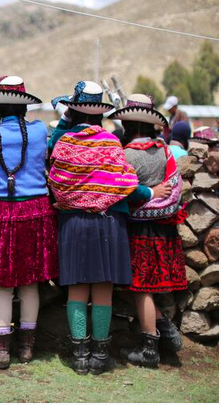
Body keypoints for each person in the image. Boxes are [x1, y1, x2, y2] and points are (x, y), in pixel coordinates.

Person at [48, 81, 170, 376]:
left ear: (74, 111)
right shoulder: (112, 143)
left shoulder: (64, 142)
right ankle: (100, 355)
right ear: (100, 114)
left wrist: (67, 117)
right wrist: (150, 193)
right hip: (108, 223)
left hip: (74, 222)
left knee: (77, 288)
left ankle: (79, 355)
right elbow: (125, 183)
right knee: (103, 289)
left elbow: (55, 176)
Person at [0, 76, 59, 369]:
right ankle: (27, 346)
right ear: (24, 106)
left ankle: (2, 348)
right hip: (35, 209)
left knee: (2, 284)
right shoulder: (39, 130)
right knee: (30, 281)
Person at [109, 94, 186, 368]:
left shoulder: (125, 155)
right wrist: (156, 195)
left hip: (135, 231)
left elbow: (122, 192)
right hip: (163, 230)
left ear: (127, 124)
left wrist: (144, 198)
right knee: (146, 288)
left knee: (138, 288)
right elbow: (174, 189)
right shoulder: (165, 151)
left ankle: (150, 348)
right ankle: (165, 329)